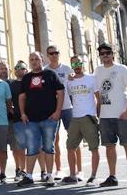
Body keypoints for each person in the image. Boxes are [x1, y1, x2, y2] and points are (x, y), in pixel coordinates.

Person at [95, 43, 127, 189]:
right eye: (102, 53)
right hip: (105, 117)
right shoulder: (97, 70)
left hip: (122, 115)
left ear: (112, 53)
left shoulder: (122, 69)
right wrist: (99, 111)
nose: (105, 55)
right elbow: (97, 91)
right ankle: (112, 176)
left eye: (108, 53)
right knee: (109, 147)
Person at [17, 52, 64, 187]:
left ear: (42, 60)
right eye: (31, 59)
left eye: (36, 59)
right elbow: (21, 97)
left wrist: (57, 112)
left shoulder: (50, 74)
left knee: (49, 147)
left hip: (49, 118)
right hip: (31, 120)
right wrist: (23, 114)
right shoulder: (26, 78)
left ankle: (49, 176)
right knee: (31, 148)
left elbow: (60, 93)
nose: (34, 61)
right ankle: (29, 176)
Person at [64, 56, 100, 186]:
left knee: (94, 147)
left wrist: (98, 115)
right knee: (70, 146)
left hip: (89, 117)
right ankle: (73, 175)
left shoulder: (91, 78)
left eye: (79, 63)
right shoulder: (69, 81)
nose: (77, 66)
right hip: (75, 117)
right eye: (74, 64)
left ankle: (93, 176)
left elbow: (98, 98)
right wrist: (69, 78)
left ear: (83, 64)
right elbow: (69, 96)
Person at [44, 45, 77, 180]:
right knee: (54, 140)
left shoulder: (67, 69)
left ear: (59, 54)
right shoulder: (44, 70)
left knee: (73, 138)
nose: (53, 55)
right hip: (51, 109)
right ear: (47, 55)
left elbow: (74, 86)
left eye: (56, 53)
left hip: (67, 108)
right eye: (51, 53)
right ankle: (58, 169)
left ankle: (77, 170)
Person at [9, 61, 28, 181]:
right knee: (20, 146)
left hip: (33, 118)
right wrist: (11, 110)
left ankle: (44, 171)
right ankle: (22, 170)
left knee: (38, 146)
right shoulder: (11, 84)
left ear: (26, 70)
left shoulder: (30, 82)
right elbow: (7, 100)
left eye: (22, 68)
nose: (19, 69)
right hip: (17, 119)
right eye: (16, 68)